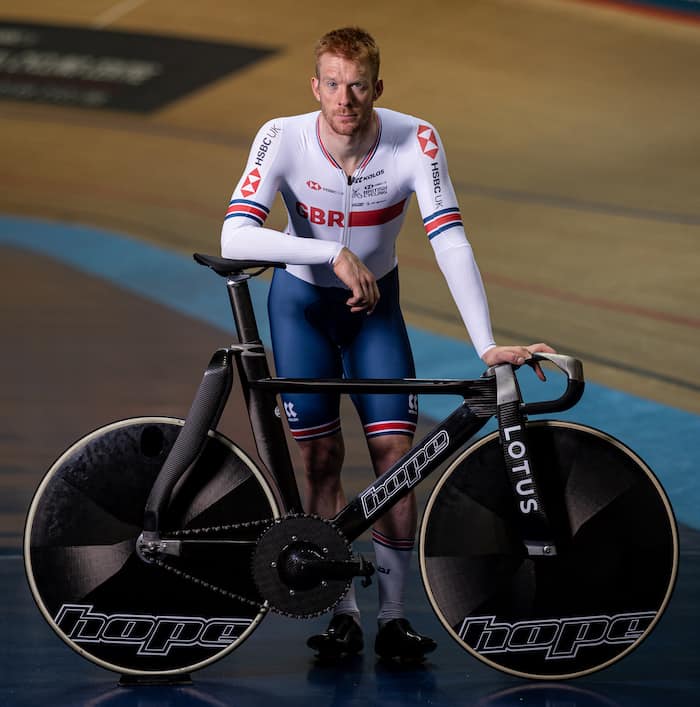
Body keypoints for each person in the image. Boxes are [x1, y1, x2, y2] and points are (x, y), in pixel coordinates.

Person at [221, 27, 554, 661]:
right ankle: (342, 611)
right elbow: (235, 235)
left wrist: (484, 345)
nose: (346, 98)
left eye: (358, 85)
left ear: (378, 87)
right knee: (319, 464)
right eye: (333, 84)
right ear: (315, 86)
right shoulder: (282, 136)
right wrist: (331, 252)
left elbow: (449, 238)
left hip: (376, 312)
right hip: (302, 308)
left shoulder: (415, 139)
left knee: (397, 463)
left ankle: (394, 618)